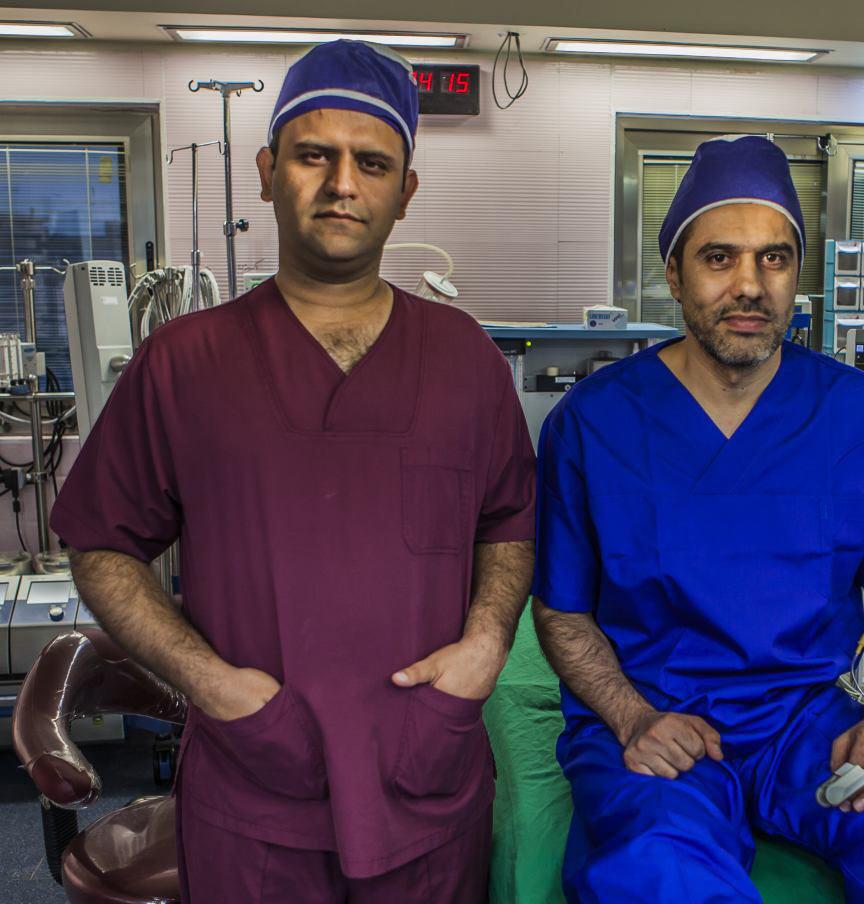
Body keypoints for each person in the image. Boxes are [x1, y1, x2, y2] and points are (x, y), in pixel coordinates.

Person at [51, 39, 535, 903]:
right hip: (257, 788)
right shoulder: (183, 363)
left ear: (405, 191)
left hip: (426, 775)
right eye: (315, 155)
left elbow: (508, 522)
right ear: (269, 173)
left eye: (372, 163)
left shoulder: (467, 361)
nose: (343, 183)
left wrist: (486, 643)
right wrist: (210, 683)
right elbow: (101, 545)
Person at [531, 135, 864, 902]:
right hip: (659, 716)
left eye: (774, 259)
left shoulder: (856, 415)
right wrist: (628, 717)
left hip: (805, 725)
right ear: (675, 274)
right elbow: (561, 611)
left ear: (796, 275)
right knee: (662, 867)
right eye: (719, 258)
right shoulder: (594, 423)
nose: (750, 285)